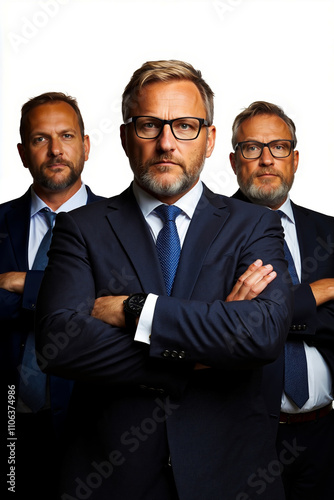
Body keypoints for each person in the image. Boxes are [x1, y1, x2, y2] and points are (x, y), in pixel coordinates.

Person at [36, 61, 293, 500]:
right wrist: (207, 346)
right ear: (124, 137)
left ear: (210, 140)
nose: (167, 143)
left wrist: (137, 310)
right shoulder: (81, 228)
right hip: (111, 480)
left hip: (232, 478)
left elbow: (262, 334)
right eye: (149, 125)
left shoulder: (254, 226)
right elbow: (60, 343)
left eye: (186, 126)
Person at [0, 92, 103, 500]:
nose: (56, 150)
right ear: (23, 153)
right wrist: (78, 298)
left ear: (86, 146)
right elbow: (90, 304)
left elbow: (121, 306)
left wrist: (21, 283)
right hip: (12, 420)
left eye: (67, 136)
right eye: (41, 139)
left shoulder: (121, 223)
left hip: (93, 421)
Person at [229, 101, 334, 500]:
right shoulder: (209, 230)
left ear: (295, 159)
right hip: (246, 433)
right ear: (234, 159)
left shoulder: (327, 230)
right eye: (252, 148)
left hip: (325, 432)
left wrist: (264, 312)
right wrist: (321, 292)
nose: (267, 159)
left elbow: (251, 318)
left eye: (279, 147)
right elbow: (219, 320)